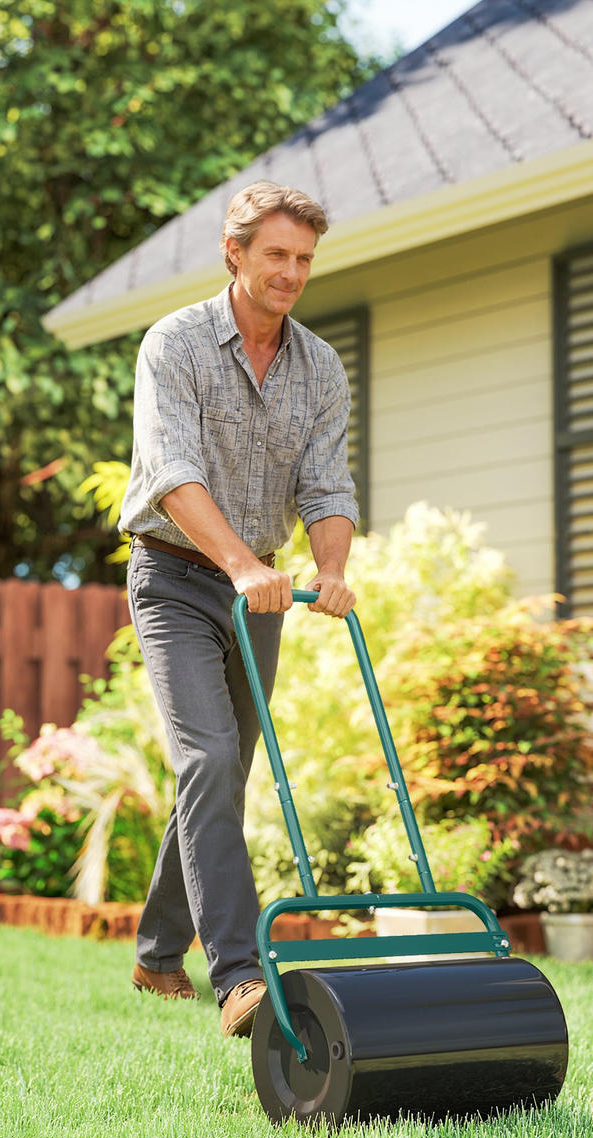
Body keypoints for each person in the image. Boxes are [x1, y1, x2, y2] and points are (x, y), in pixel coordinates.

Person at [118, 180, 359, 1037]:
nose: (291, 273)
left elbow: (326, 484)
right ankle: (239, 977)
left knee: (222, 770)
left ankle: (157, 955)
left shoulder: (319, 367)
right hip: (175, 578)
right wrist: (242, 563)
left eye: (304, 259)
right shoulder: (175, 344)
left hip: (264, 594)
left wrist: (331, 569)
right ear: (235, 253)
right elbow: (170, 472)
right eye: (276, 255)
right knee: (210, 756)